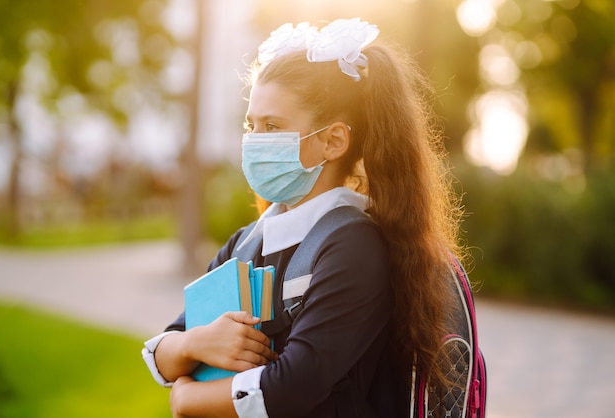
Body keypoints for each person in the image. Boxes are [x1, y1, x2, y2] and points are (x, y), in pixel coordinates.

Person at [142, 17, 463, 418]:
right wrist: (197, 344)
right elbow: (165, 348)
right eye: (251, 126)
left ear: (333, 141)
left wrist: (188, 398)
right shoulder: (249, 240)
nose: (255, 142)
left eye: (273, 126)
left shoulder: (354, 246)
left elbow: (294, 386)